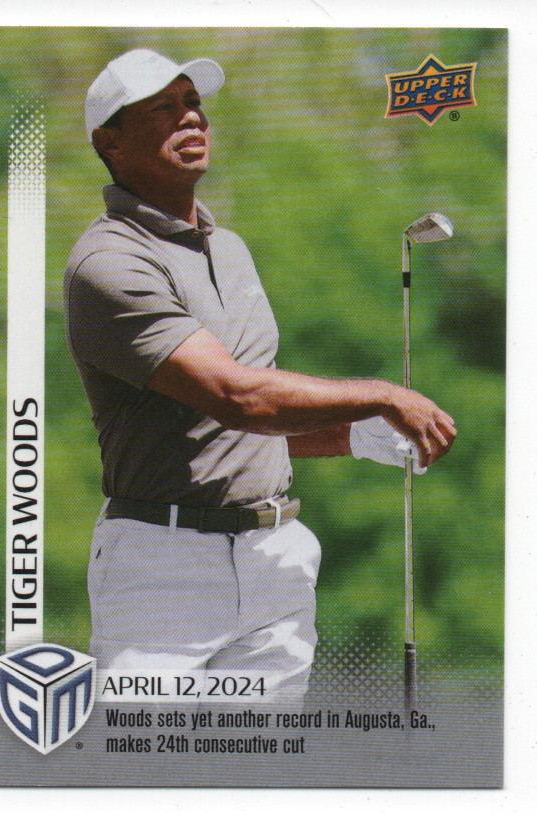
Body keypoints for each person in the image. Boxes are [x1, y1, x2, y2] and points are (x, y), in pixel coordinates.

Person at [64, 48, 456, 704]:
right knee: (154, 761)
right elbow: (236, 397)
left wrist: (354, 435)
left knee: (257, 759)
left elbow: (230, 429)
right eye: (163, 107)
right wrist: (382, 396)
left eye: (194, 103)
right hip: (162, 570)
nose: (191, 117)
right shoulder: (108, 262)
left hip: (274, 561)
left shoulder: (231, 249)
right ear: (111, 142)